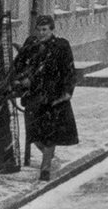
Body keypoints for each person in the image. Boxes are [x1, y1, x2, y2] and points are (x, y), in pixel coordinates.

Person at [12, 15, 78, 181]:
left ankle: (45, 168)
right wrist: (22, 80)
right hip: (34, 95)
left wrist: (68, 90)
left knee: (50, 133)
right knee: (34, 134)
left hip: (52, 95)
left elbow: (69, 69)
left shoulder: (61, 46)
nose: (42, 33)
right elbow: (18, 64)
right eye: (39, 30)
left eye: (45, 30)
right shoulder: (31, 45)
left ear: (52, 29)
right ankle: (48, 155)